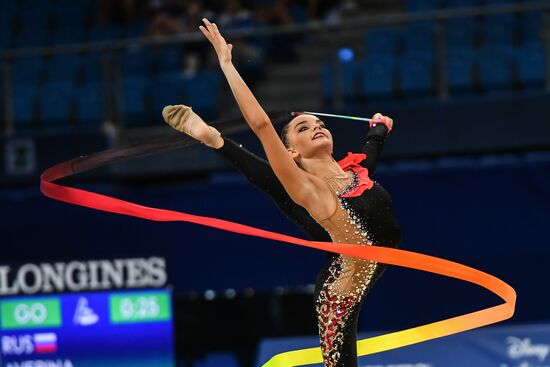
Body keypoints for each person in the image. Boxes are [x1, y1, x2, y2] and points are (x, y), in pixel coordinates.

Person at [162, 19, 402, 367]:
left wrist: (378, 129)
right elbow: (260, 126)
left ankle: (212, 138)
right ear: (292, 151)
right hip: (340, 292)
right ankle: (212, 137)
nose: (316, 126)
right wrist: (228, 65)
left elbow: (370, 156)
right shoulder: (311, 188)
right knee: (283, 189)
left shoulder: (354, 172)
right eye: (304, 128)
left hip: (365, 264)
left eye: (318, 123)